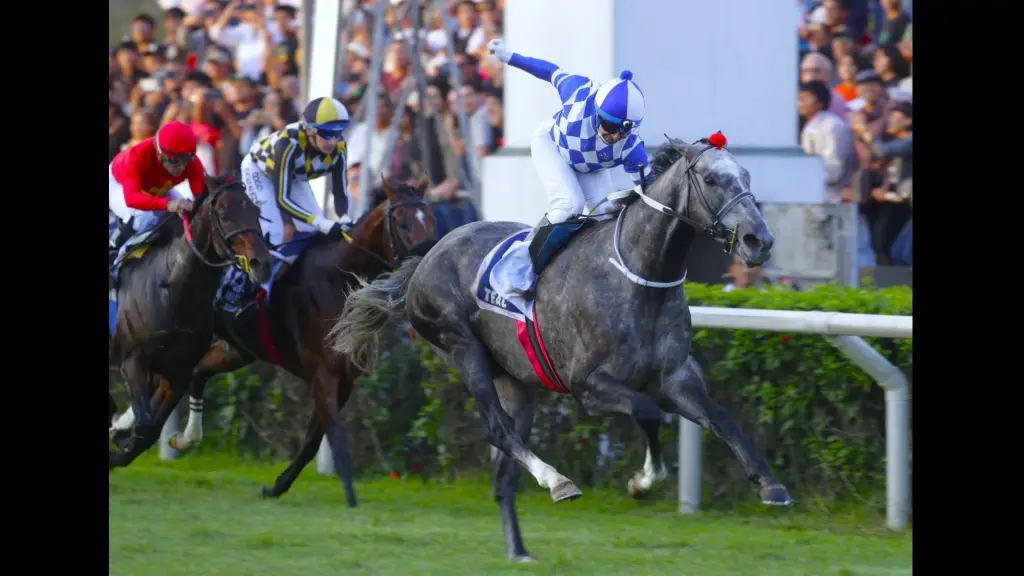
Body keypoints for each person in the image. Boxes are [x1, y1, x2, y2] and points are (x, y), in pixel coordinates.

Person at [487, 38, 650, 296]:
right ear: (598, 113)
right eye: (609, 128)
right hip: (551, 146)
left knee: (607, 218)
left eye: (622, 132)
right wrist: (508, 57)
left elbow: (648, 192)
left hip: (590, 167)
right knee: (568, 205)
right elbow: (548, 71)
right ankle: (516, 265)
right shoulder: (578, 91)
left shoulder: (633, 150)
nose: (615, 137)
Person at [238, 95, 354, 304]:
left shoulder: (339, 148)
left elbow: (340, 191)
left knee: (313, 231)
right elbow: (282, 199)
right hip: (260, 170)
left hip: (292, 175)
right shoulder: (289, 144)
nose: (333, 141)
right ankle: (251, 289)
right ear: (310, 130)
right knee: (277, 231)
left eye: (338, 133)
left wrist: (344, 217)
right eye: (327, 133)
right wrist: (320, 222)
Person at [108, 120, 205, 264]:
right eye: (174, 162)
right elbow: (132, 199)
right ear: (158, 153)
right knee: (141, 216)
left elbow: (201, 197)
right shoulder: (136, 156)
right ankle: (113, 254)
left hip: (156, 187)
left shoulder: (193, 163)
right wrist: (168, 204)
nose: (181, 168)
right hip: (119, 185)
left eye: (186, 161)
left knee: (186, 212)